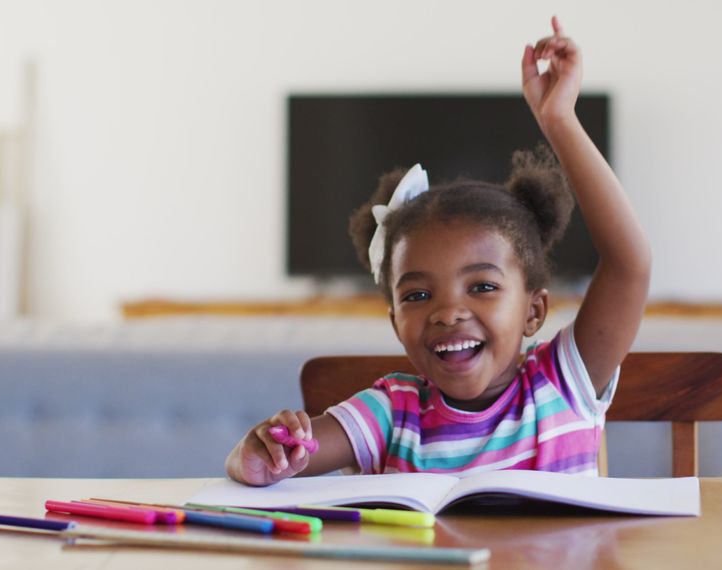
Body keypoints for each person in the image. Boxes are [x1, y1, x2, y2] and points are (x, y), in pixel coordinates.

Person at [226, 16, 650, 485]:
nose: (449, 312)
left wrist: (559, 119)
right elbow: (268, 466)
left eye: (483, 286)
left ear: (534, 311)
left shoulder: (565, 381)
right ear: (394, 321)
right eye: (417, 296)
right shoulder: (389, 413)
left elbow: (629, 264)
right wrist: (260, 453)